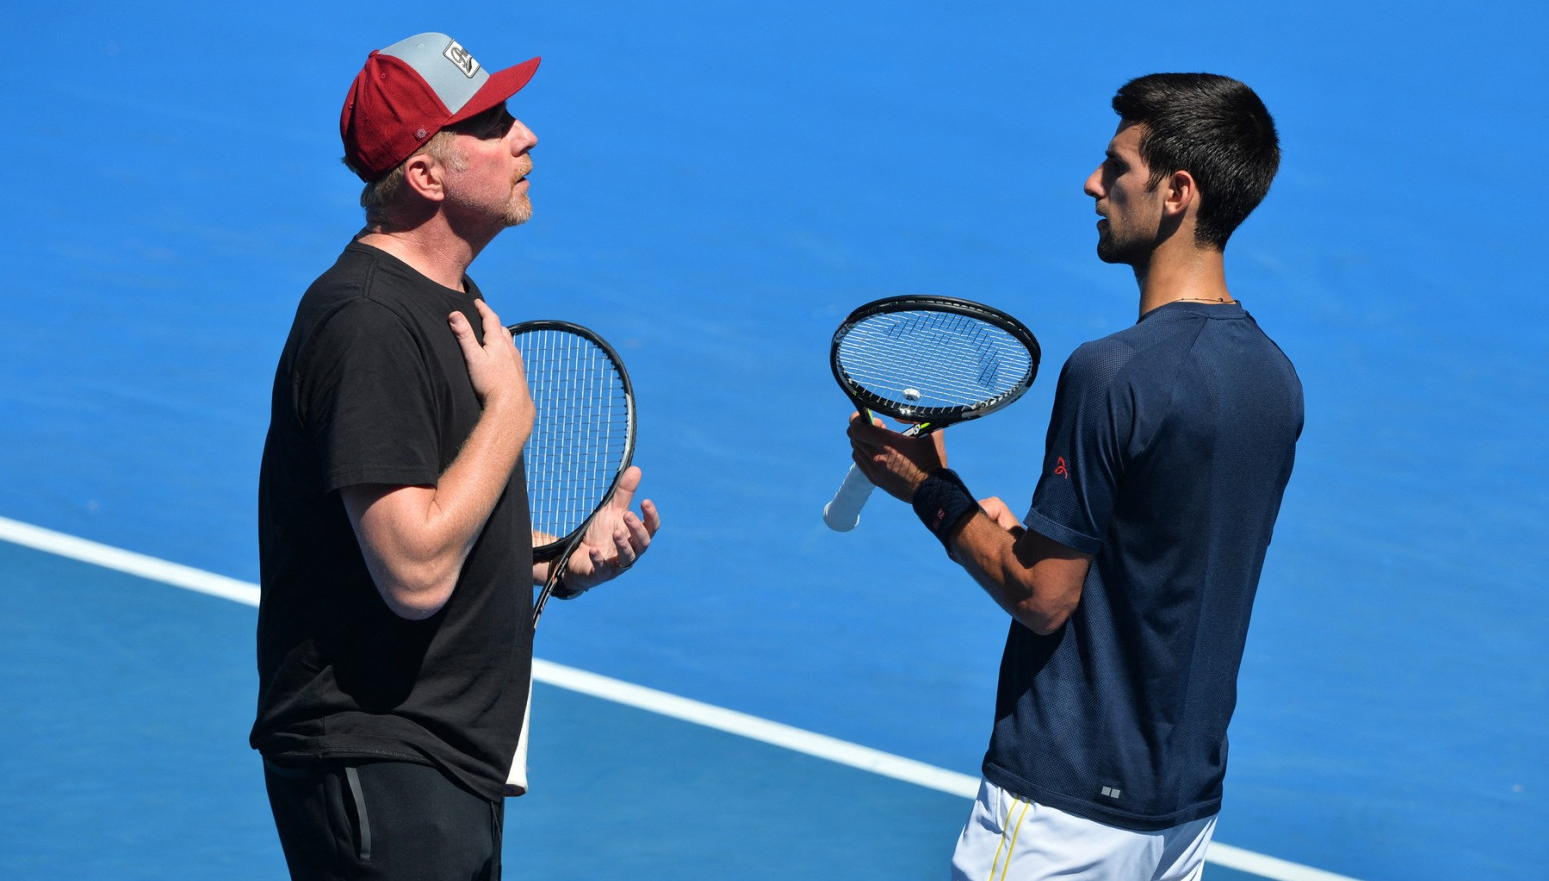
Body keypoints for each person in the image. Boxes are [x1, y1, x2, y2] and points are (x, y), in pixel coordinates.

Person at [846, 73, 1301, 880]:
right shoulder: (1274, 379)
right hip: (1179, 813)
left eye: (1116, 166)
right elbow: (1154, 558)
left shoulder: (1111, 373)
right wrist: (1014, 535)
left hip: (1063, 809)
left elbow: (1042, 595)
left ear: (1176, 192)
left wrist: (930, 492)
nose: (1093, 184)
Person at [252, 32, 659, 880]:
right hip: (380, 761)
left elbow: (433, 521)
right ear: (427, 175)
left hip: (441, 766)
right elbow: (412, 571)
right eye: (494, 122)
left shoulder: (452, 303)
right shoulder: (366, 323)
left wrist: (550, 559)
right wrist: (510, 413)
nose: (526, 136)